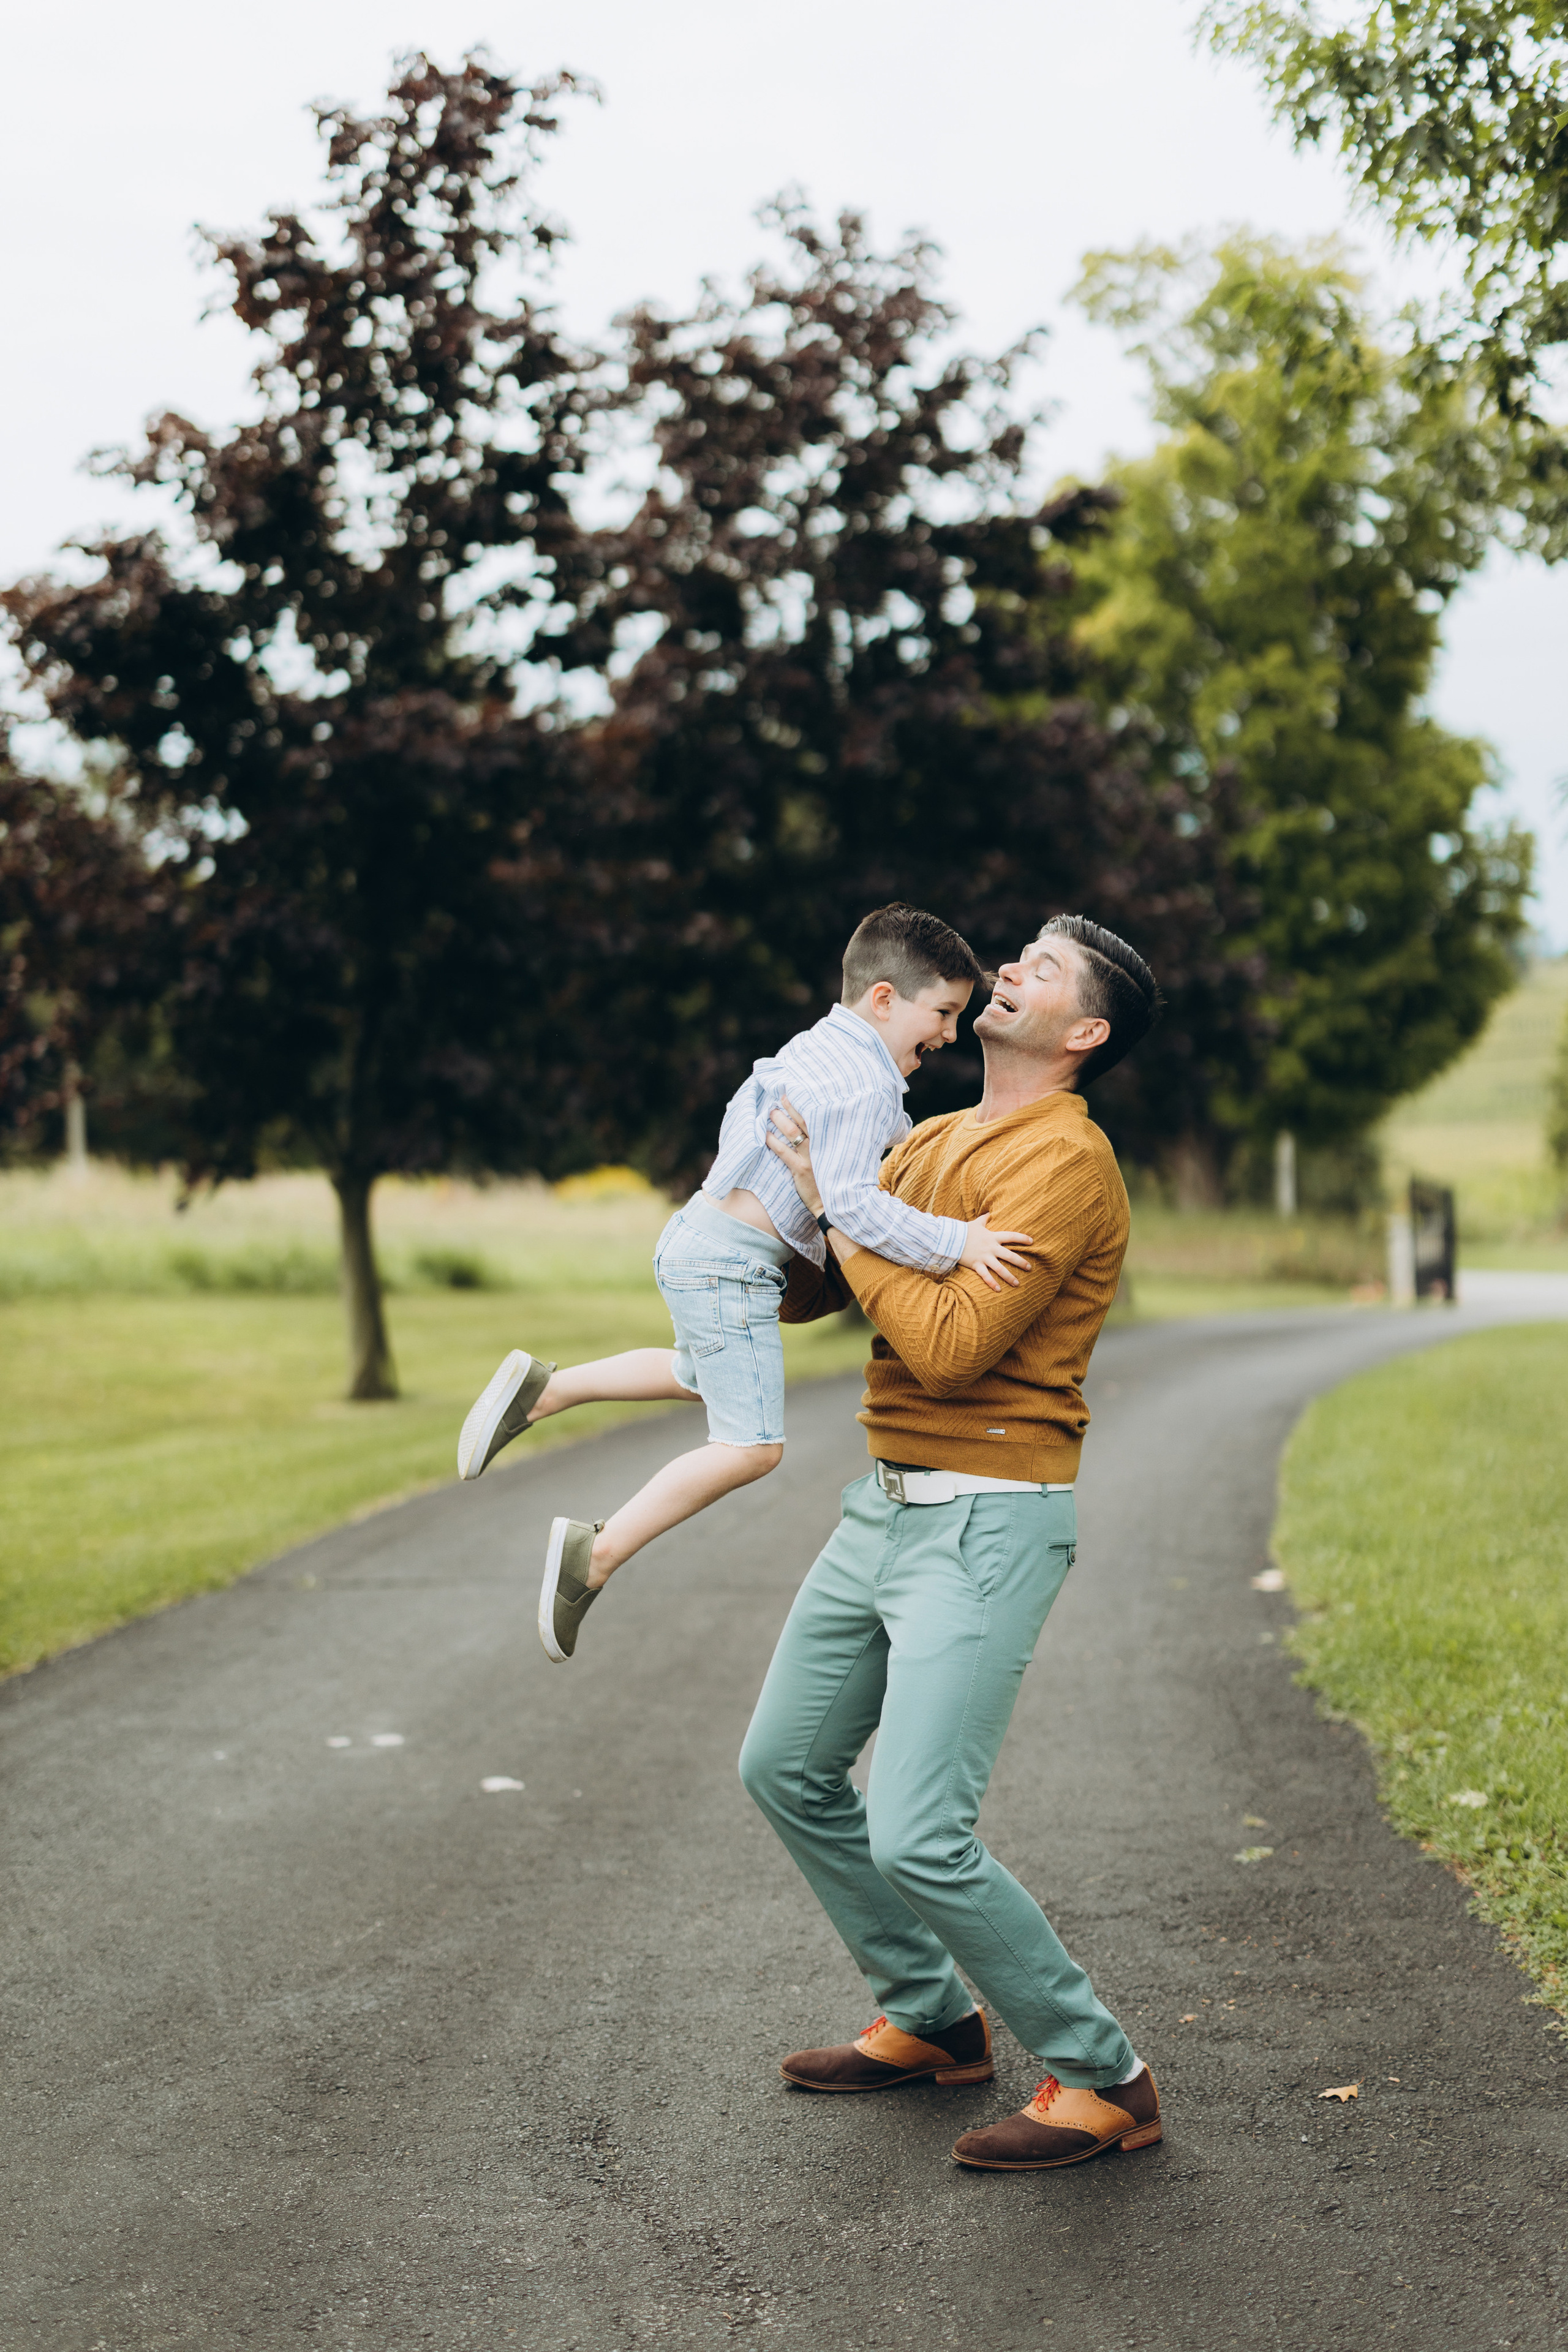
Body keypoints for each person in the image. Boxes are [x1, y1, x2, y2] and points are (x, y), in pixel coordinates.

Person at [740, 912, 1166, 2173]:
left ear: (1082, 1033)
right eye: (1019, 954)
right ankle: (932, 2020)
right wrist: (759, 1219)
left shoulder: (1064, 1164)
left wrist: (842, 1207)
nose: (1011, 970)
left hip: (988, 1515)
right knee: (784, 1767)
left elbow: (945, 1343)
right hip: (880, 1504)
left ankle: (1104, 2081)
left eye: (1042, 969)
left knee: (917, 1829)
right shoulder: (928, 1137)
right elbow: (836, 1279)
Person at [454, 905, 1035, 1665]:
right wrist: (960, 1240)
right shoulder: (863, 1085)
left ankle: (546, 1390)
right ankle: (590, 1556)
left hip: (697, 1238)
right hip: (732, 1266)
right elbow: (855, 1205)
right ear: (885, 999)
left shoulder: (816, 1049)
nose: (952, 1035)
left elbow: (770, 1119)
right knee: (751, 1446)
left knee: (703, 1374)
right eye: (945, 1013)